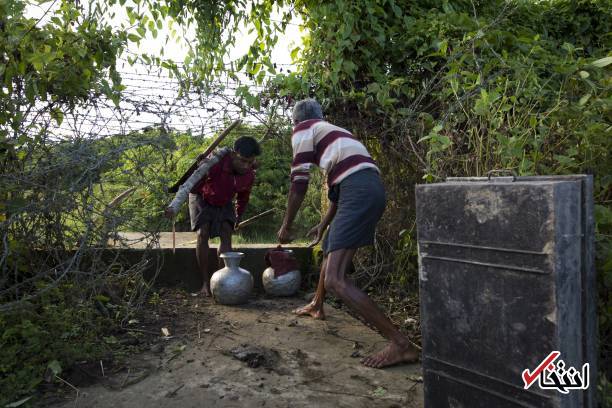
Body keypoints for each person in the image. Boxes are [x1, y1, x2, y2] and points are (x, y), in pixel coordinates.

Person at [277, 98, 419, 368]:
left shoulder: (303, 129)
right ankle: (317, 305)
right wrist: (323, 224)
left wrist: (286, 225)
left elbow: (299, 183)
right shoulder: (336, 134)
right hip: (366, 189)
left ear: (296, 122)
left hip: (359, 192)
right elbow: (339, 187)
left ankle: (401, 344)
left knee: (335, 280)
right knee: (329, 247)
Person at [189, 136, 260, 296]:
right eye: (242, 161)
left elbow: (243, 197)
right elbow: (193, 188)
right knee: (203, 233)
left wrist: (238, 216)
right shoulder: (214, 162)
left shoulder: (249, 174)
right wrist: (201, 169)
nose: (246, 166)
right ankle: (205, 284)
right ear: (233, 154)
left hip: (225, 199)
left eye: (250, 162)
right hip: (202, 195)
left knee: (226, 233)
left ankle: (221, 282)